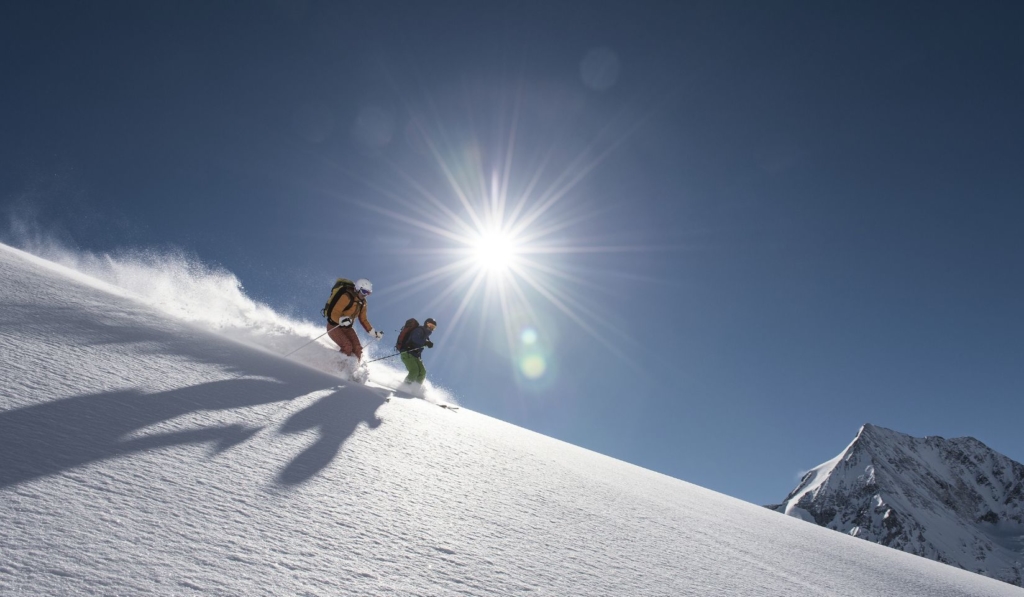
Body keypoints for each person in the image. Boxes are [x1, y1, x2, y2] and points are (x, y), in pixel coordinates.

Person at [325, 278, 383, 362]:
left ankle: (353, 371)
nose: (365, 295)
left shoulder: (363, 303)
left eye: (368, 293)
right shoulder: (346, 296)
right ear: (358, 288)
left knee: (358, 349)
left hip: (347, 328)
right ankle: (337, 369)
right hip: (334, 326)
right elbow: (334, 313)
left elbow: (363, 319)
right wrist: (341, 320)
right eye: (364, 291)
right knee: (347, 346)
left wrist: (374, 333)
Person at [400, 318, 436, 395]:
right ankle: (404, 388)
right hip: (407, 352)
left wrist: (426, 342)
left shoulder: (426, 336)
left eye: (433, 327)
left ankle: (415, 390)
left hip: (416, 356)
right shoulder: (419, 330)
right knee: (414, 371)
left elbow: (420, 347)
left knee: (422, 372)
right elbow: (415, 338)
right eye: (430, 325)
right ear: (426, 323)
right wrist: (425, 343)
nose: (431, 328)